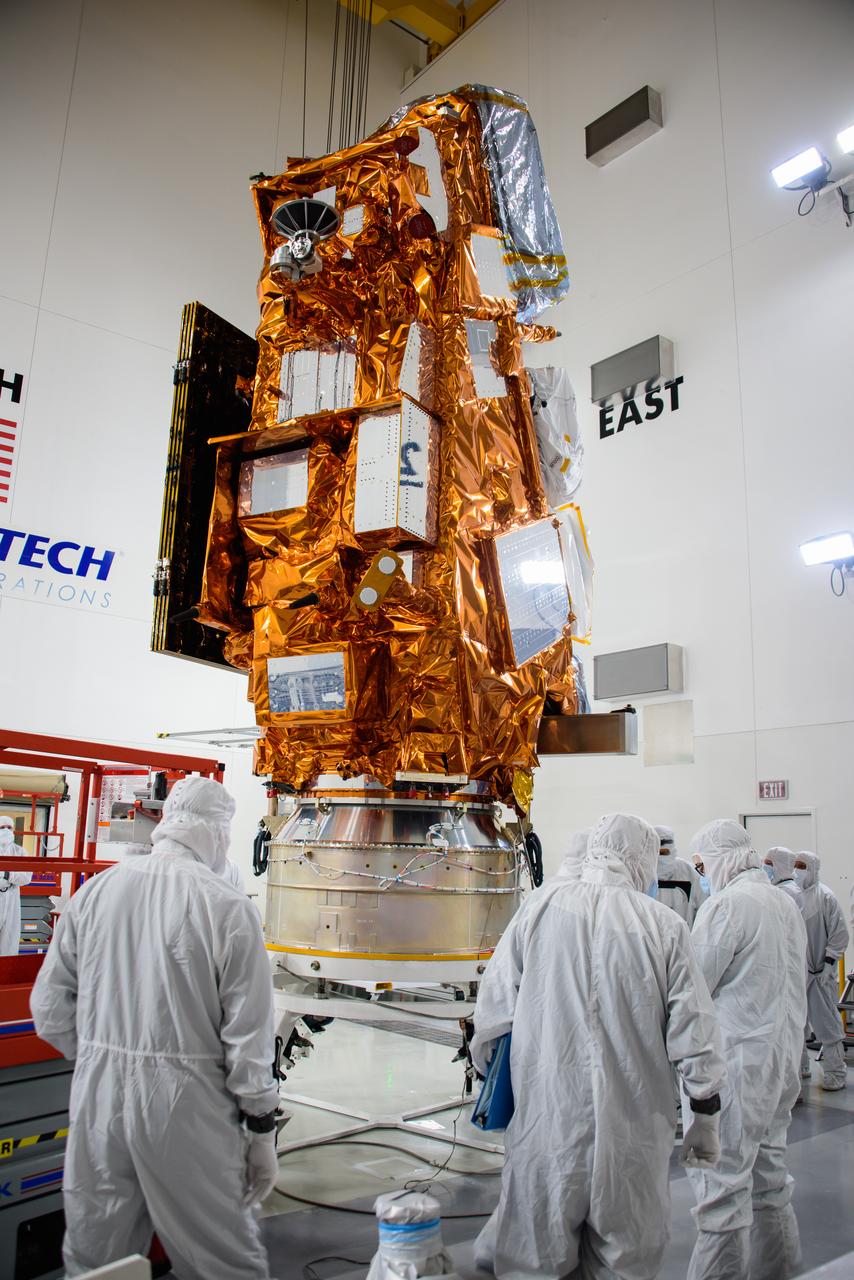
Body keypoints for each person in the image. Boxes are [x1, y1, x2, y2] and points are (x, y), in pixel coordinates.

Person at [30, 777, 279, 1279]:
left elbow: (49, 1008)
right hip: (187, 1105)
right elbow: (248, 1039)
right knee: (222, 1258)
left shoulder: (95, 891)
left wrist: (100, 1055)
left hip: (98, 1095)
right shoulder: (229, 907)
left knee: (97, 1255)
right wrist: (260, 1126)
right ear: (216, 832)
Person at [471, 813, 725, 1280]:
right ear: (641, 860)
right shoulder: (664, 926)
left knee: (532, 1260)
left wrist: (497, 1081)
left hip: (548, 1125)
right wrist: (704, 1115)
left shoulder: (541, 908)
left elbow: (493, 1012)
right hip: (632, 1133)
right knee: (625, 1262)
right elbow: (695, 1031)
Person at [686, 820, 807, 1280]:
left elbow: (694, 985)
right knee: (771, 1183)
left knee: (722, 1190)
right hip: (779, 1063)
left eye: (702, 865)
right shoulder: (783, 901)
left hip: (734, 1068)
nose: (701, 874)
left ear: (721, 857)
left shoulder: (728, 906)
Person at [794, 851, 849, 1091]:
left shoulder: (825, 896)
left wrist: (828, 964)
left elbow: (839, 935)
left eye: (802, 866)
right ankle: (801, 1067)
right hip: (798, 974)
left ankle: (835, 1071)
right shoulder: (791, 895)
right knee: (797, 1025)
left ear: (813, 868)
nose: (797, 870)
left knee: (827, 1025)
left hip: (819, 973)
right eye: (795, 865)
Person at [655, 825, 705, 924]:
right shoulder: (642, 873)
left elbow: (703, 908)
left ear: (673, 850)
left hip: (686, 935)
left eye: (665, 853)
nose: (661, 858)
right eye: (657, 853)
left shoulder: (690, 872)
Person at [0, 815, 33, 955]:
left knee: (8, 940)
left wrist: (7, 875)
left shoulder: (20, 852)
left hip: (11, 898)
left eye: (9, 827)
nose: (6, 830)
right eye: (2, 827)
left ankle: (5, 975)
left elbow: (26, 877)